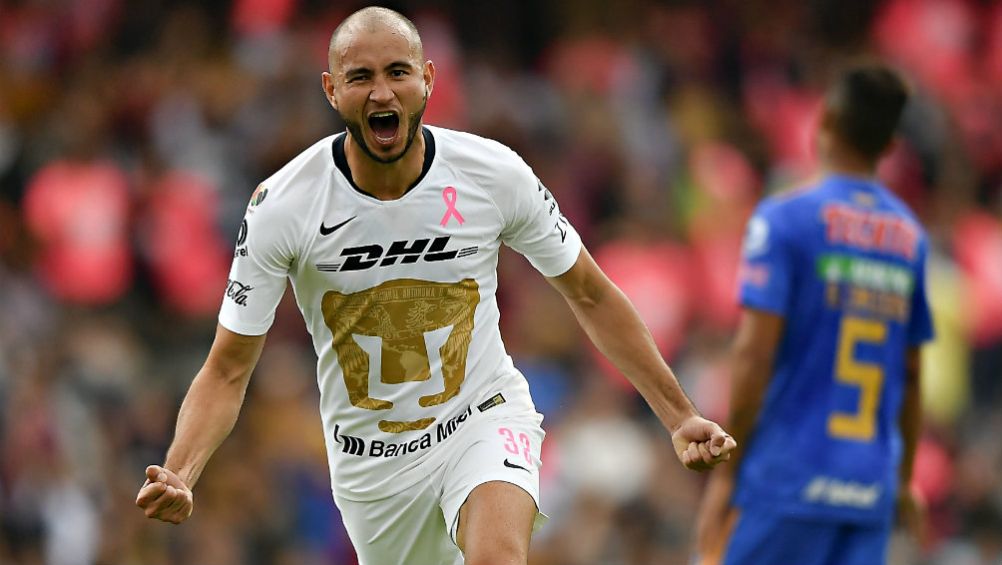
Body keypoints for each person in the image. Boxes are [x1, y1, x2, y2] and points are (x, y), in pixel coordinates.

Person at [135, 7, 736, 564]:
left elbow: (590, 292)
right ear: (331, 89)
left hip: (482, 411)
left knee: (497, 555)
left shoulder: (492, 173)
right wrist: (183, 471)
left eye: (398, 72)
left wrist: (679, 414)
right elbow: (228, 367)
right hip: (373, 469)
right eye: (360, 76)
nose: (381, 92)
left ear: (427, 79)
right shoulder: (283, 205)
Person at [695, 63, 933, 565]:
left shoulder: (784, 220)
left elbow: (753, 355)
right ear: (889, 147)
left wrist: (729, 471)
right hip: (866, 490)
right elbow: (911, 376)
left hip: (787, 481)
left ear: (824, 121)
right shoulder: (909, 238)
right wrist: (904, 480)